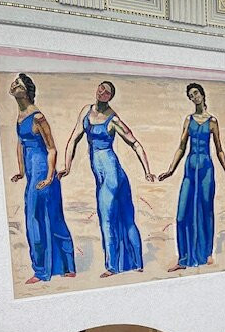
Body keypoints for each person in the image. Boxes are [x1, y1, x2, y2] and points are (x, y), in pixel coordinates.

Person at [58, 81, 155, 277]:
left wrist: (147, 170)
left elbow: (135, 143)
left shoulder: (113, 119)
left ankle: (113, 266)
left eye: (106, 92)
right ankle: (136, 263)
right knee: (121, 217)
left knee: (110, 219)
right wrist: (67, 167)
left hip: (112, 174)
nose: (101, 92)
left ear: (110, 97)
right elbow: (73, 139)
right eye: (100, 88)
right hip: (103, 175)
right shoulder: (86, 111)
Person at [159, 83, 225, 272]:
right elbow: (181, 147)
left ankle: (207, 253)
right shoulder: (188, 120)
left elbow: (219, 149)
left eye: (195, 93)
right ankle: (183, 258)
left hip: (206, 170)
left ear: (202, 95)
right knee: (181, 214)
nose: (193, 97)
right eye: (190, 95)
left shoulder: (212, 121)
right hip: (190, 168)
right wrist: (171, 170)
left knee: (206, 210)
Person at [10, 74, 76, 283]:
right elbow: (20, 144)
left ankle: (53, 268)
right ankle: (51, 267)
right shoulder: (20, 116)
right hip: (32, 174)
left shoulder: (38, 117)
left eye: (18, 84)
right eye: (14, 83)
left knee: (43, 219)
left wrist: (49, 177)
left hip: (43, 173)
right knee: (37, 219)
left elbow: (52, 149)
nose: (13, 85)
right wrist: (21, 171)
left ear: (26, 92)